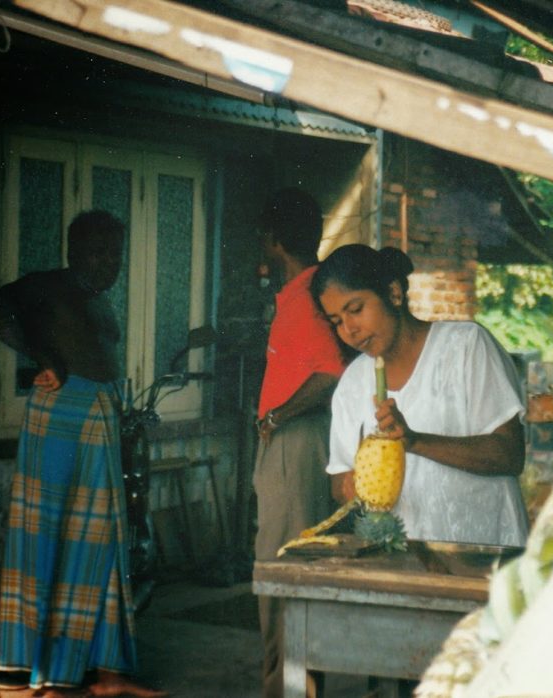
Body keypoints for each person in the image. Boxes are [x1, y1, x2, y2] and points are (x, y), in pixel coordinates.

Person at [0, 210, 164, 698]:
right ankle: (50, 669)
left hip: (97, 418)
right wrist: (42, 360)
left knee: (102, 541)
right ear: (73, 250)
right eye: (98, 251)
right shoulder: (52, 284)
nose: (109, 263)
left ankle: (106, 673)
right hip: (60, 418)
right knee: (54, 539)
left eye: (116, 254)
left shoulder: (96, 300)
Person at [311, 244, 529, 547]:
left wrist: (414, 442)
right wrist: (353, 486)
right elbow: (339, 479)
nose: (349, 330)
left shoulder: (466, 347)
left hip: (483, 553)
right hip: (403, 559)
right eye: (336, 321)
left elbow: (509, 454)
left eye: (356, 309)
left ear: (394, 294)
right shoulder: (352, 383)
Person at [253, 188, 347, 698]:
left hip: (296, 441)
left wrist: (277, 416)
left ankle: (288, 691)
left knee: (283, 572)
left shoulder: (308, 297)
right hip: (291, 440)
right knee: (285, 571)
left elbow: (330, 371)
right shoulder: (298, 294)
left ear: (273, 240)